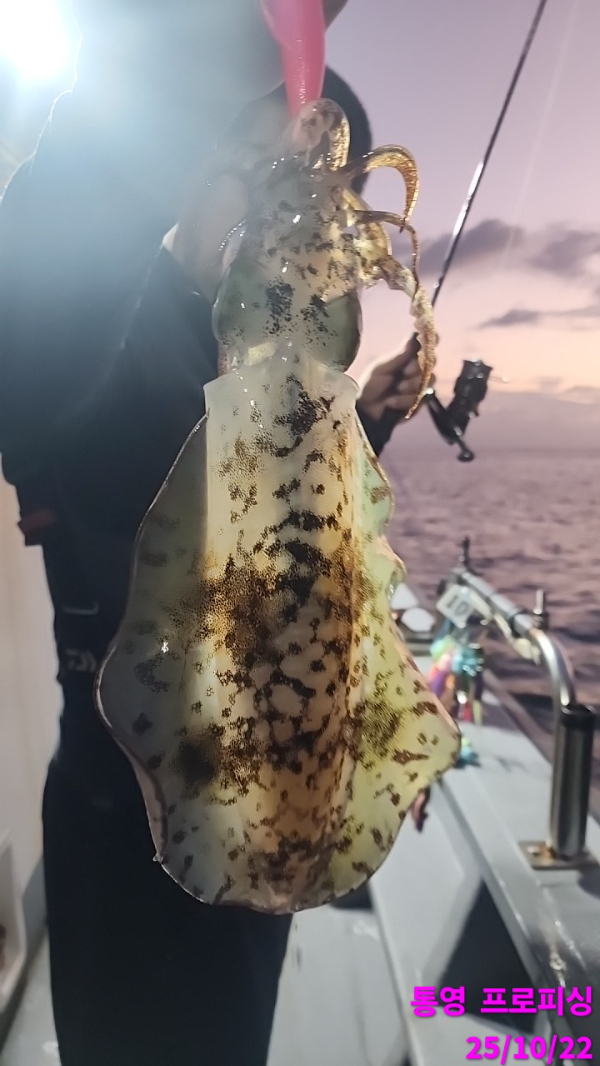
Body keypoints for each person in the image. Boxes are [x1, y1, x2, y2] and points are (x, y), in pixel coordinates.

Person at [0, 2, 425, 1063]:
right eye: (270, 168)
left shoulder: (265, 366)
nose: (307, 215)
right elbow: (29, 375)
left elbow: (285, 528)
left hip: (276, 792)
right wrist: (186, 61)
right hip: (121, 821)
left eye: (334, 197)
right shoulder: (106, 324)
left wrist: (369, 419)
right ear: (200, 161)